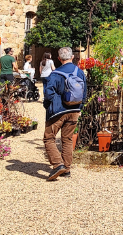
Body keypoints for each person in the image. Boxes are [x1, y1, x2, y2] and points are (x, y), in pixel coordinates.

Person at [43, 47, 86, 181]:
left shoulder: (55, 74)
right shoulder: (79, 72)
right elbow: (84, 92)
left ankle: (58, 164)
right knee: (67, 139)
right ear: (72, 57)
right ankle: (66, 169)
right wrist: (80, 107)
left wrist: (47, 106)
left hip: (58, 111)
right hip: (74, 110)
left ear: (59, 59)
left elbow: (48, 94)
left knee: (49, 137)